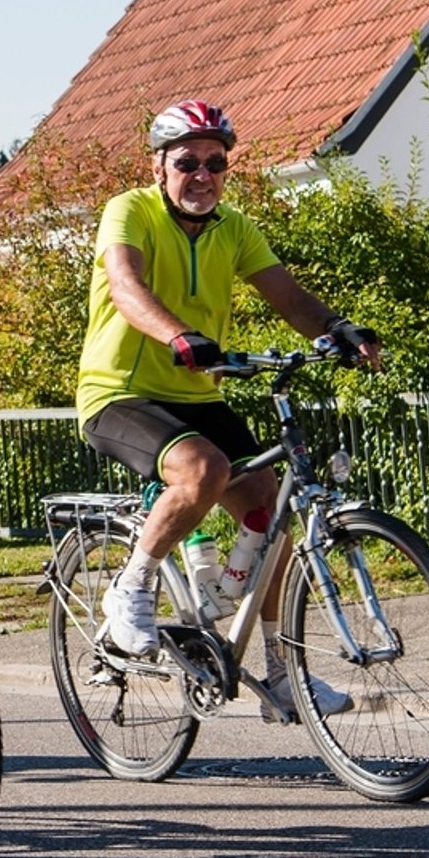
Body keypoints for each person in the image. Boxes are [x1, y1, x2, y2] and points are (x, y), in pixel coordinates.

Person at [76, 99, 377, 720]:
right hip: (119, 391)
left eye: (217, 163)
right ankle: (129, 592)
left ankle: (278, 674)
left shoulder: (233, 227)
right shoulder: (128, 211)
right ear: (159, 166)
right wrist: (178, 335)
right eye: (188, 162)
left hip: (196, 394)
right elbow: (126, 287)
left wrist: (338, 327)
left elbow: (288, 295)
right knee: (203, 471)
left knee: (269, 506)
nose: (204, 175)